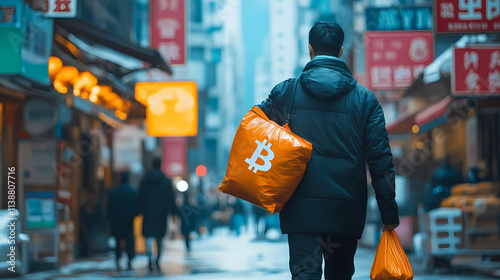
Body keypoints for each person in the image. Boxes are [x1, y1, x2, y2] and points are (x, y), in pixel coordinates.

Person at [258, 22, 399, 280]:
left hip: (300, 210)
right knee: (340, 275)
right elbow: (381, 161)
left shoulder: (286, 92)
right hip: (344, 210)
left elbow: (255, 126)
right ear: (342, 50)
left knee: (305, 275)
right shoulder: (365, 100)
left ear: (310, 50)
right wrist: (388, 213)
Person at [137, 157, 177, 271]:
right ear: (160, 165)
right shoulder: (166, 181)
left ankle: (150, 259)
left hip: (148, 213)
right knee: (159, 237)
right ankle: (158, 260)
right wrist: (173, 213)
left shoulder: (145, 180)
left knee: (148, 237)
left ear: (151, 165)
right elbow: (171, 199)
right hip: (161, 214)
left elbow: (140, 197)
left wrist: (138, 210)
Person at [107, 172, 138, 270]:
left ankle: (118, 258)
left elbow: (109, 208)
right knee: (129, 239)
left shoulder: (113, 193)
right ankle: (130, 259)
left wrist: (110, 217)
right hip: (128, 219)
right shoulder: (133, 192)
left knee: (117, 239)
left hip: (116, 220)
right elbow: (136, 208)